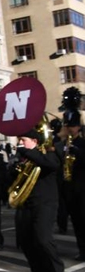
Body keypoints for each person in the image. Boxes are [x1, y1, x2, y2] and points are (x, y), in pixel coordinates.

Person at [13, 128, 67, 272]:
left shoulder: (47, 154)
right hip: (25, 203)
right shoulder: (22, 158)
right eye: (19, 141)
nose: (20, 144)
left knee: (43, 238)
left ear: (34, 141)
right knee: (25, 241)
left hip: (45, 202)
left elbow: (51, 165)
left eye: (23, 140)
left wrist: (28, 153)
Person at [59, 87, 85, 260]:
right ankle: (82, 249)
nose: (69, 128)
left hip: (83, 188)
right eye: (68, 125)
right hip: (70, 189)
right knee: (76, 222)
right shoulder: (64, 144)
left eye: (72, 126)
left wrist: (75, 152)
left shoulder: (82, 143)